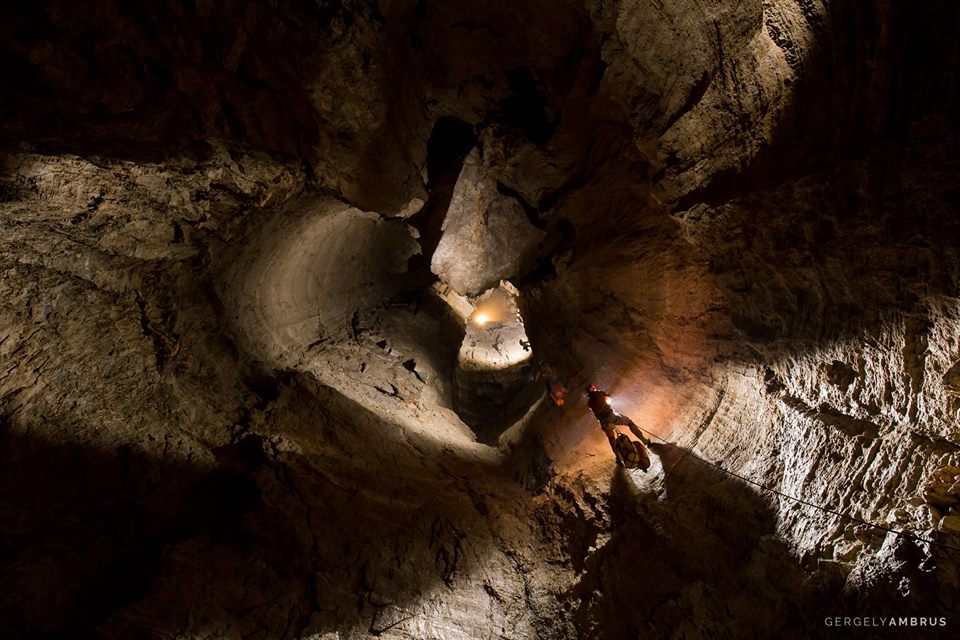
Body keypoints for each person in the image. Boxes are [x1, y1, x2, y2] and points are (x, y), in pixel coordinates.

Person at [586, 385, 651, 470]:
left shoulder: (589, 402)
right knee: (630, 423)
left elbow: (593, 408)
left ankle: (618, 458)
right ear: (594, 389)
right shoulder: (599, 393)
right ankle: (644, 440)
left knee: (611, 439)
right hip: (612, 417)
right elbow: (608, 395)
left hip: (604, 422)